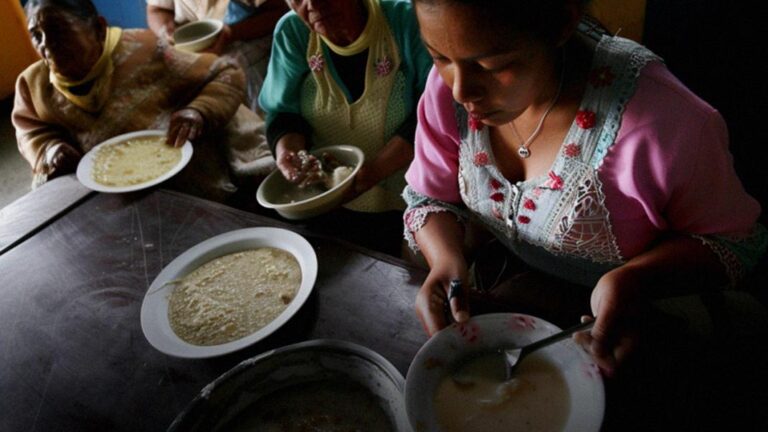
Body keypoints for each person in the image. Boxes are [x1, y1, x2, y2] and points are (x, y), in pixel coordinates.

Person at [404, 0, 767, 408]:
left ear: (562, 22)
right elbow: (429, 196)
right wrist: (446, 260)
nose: (460, 90)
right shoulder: (449, 93)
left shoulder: (664, 123)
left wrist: (634, 279)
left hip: (648, 314)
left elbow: (734, 243)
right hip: (531, 293)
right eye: (438, 57)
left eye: (492, 65)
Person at [13, 0, 273, 202]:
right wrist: (49, 149)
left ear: (98, 29)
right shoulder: (32, 84)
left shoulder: (145, 50)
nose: (47, 46)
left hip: (179, 173)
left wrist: (198, 111)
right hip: (104, 189)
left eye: (58, 32)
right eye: (36, 35)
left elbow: (226, 74)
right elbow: (30, 130)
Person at [258, 0, 431, 256]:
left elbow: (435, 113)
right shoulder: (293, 32)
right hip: (324, 201)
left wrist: (374, 171)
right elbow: (283, 112)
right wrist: (289, 154)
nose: (312, 4)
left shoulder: (406, 20)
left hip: (409, 203)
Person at [146, 0, 288, 112]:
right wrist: (166, 33)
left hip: (244, 34)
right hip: (188, 41)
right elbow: (157, 9)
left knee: (233, 71)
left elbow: (281, 11)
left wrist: (231, 33)